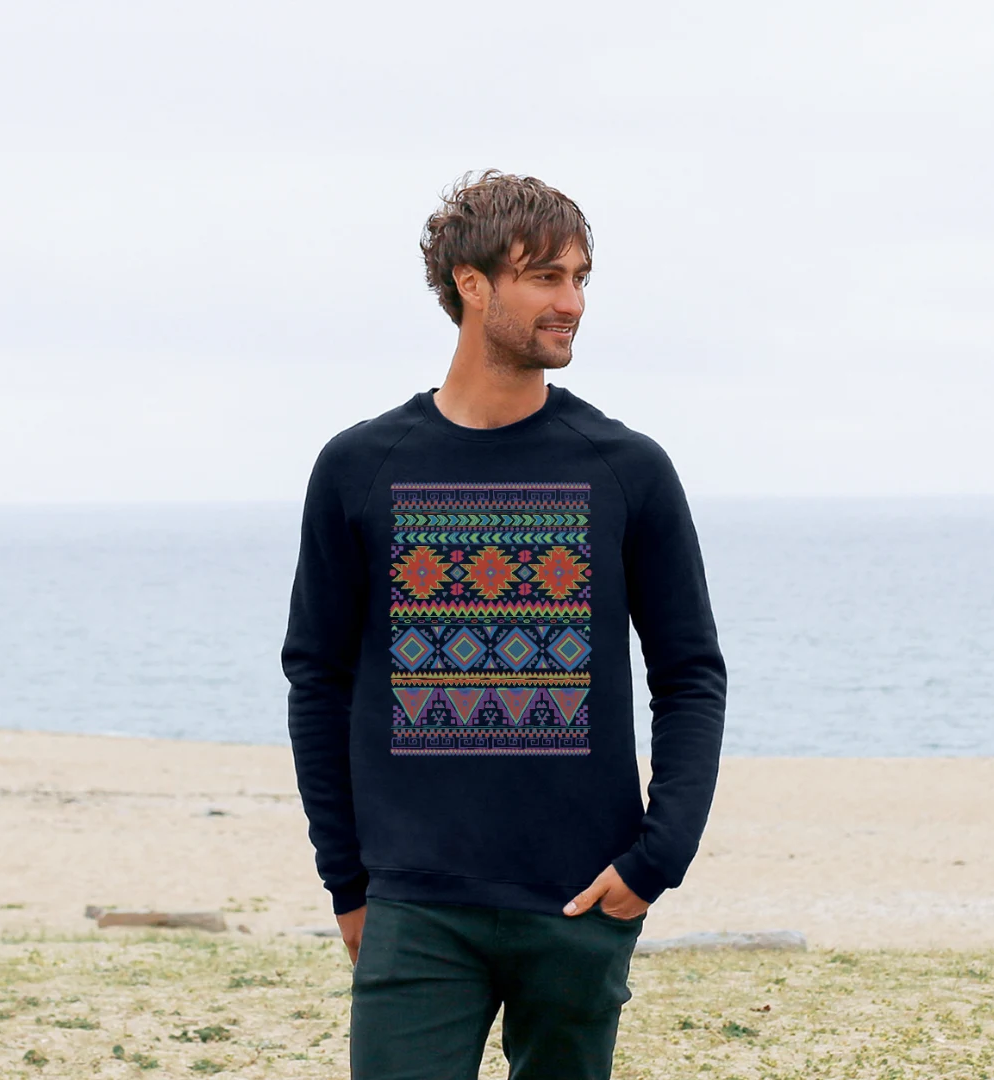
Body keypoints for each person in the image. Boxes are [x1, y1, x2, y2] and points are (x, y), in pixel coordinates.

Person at [281, 168, 727, 1080]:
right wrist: (348, 880)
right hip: (415, 904)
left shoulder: (627, 469)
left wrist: (658, 858)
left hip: (581, 899)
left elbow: (689, 675)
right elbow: (316, 681)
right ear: (472, 285)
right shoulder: (361, 468)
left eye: (581, 278)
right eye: (546, 277)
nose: (573, 303)